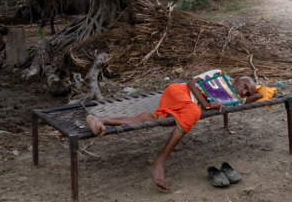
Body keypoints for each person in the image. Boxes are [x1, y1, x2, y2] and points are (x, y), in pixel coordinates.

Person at [86, 71, 261, 190]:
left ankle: (100, 119)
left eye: (247, 92)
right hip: (179, 92)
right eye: (245, 86)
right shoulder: (218, 76)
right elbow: (191, 83)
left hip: (184, 107)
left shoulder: (233, 98)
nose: (245, 92)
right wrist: (207, 104)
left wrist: (252, 90)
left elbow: (258, 95)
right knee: (194, 111)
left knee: (153, 120)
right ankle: (159, 162)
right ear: (237, 78)